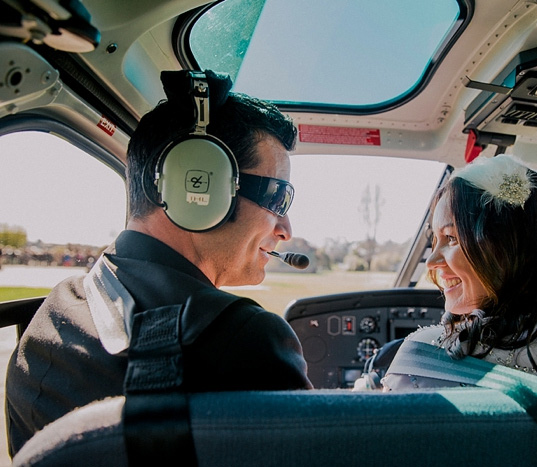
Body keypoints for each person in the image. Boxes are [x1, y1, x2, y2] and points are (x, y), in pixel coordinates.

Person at [5, 70, 312, 456]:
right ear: (197, 185)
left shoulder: (57, 309)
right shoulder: (244, 339)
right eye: (277, 197)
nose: (286, 228)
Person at [381, 154, 537, 391]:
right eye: (435, 240)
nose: (432, 261)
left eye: (452, 238)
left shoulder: (420, 361)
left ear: (512, 248)